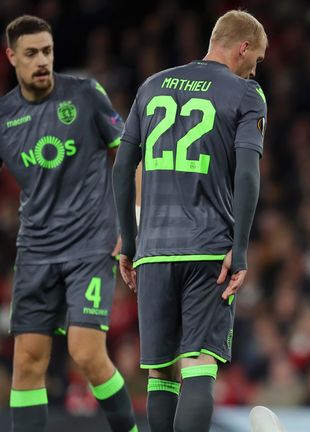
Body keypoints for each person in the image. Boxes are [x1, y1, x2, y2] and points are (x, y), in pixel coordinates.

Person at [112, 9, 267, 432]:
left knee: (161, 373)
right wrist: (239, 249)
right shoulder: (246, 93)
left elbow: (123, 168)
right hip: (209, 248)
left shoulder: (151, 85)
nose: (258, 66)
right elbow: (248, 174)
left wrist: (130, 241)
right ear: (243, 46)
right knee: (198, 367)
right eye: (258, 57)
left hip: (154, 250)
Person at [0, 15, 137, 432]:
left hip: (90, 245)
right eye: (31, 53)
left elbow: (129, 155)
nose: (42, 60)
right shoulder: (4, 116)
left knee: (86, 351)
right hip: (37, 249)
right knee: (26, 361)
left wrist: (132, 223)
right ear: (11, 57)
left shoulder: (84, 94)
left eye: (47, 51)